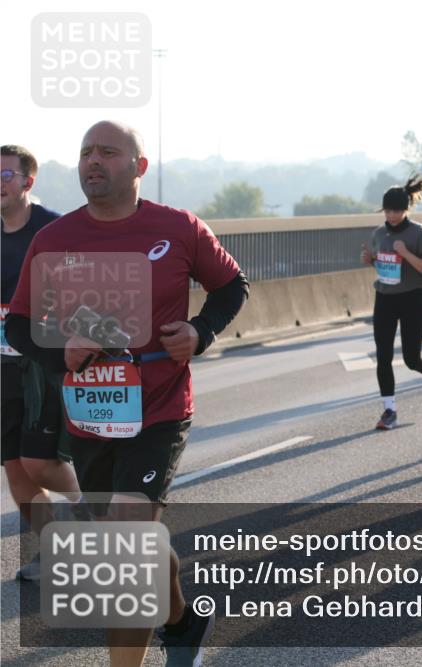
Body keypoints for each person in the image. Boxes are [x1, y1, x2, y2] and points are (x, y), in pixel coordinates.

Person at [6, 121, 249, 666]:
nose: (94, 161)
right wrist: (57, 353)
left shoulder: (180, 228)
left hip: (159, 408)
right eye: (86, 152)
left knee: (124, 543)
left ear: (138, 167)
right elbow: (20, 325)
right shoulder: (54, 239)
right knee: (133, 536)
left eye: (108, 152)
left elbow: (232, 285)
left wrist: (200, 331)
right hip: (89, 414)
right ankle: (183, 622)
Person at [1, 144, 81, 582]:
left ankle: (104, 520)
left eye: (6, 175)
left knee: (40, 461)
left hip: (43, 364)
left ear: (27, 182)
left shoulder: (53, 230)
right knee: (15, 466)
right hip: (3, 369)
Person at [360, 174, 422, 430]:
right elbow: (382, 262)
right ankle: (389, 410)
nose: (392, 215)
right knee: (383, 356)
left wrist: (405, 253)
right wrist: (370, 260)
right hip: (384, 297)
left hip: (412, 298)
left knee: (410, 358)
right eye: (387, 210)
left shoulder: (419, 233)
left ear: (406, 209)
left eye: (396, 210)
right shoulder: (379, 233)